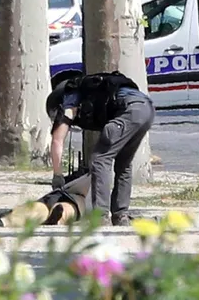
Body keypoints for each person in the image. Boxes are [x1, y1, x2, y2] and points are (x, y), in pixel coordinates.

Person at [46, 71, 155, 226]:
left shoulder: (69, 99)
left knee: (100, 159)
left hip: (129, 109)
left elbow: (57, 140)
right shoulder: (92, 89)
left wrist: (57, 175)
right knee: (123, 164)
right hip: (147, 110)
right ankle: (120, 216)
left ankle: (100, 216)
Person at [0, 172, 92, 227]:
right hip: (81, 199)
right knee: (69, 208)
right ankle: (59, 217)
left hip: (80, 196)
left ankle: (5, 220)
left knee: (44, 207)